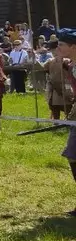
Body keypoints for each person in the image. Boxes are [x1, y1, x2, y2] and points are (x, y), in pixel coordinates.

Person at [52, 29, 76, 217]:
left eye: (61, 45)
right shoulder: (71, 65)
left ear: (73, 47)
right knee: (72, 155)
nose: (57, 48)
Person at [45, 39, 74, 120]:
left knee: (68, 107)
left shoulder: (66, 60)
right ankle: (56, 122)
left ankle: (69, 121)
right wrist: (33, 59)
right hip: (54, 89)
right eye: (51, 50)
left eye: (54, 50)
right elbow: (41, 68)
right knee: (54, 107)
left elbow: (70, 68)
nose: (53, 52)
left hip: (65, 88)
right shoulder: (50, 61)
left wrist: (63, 61)